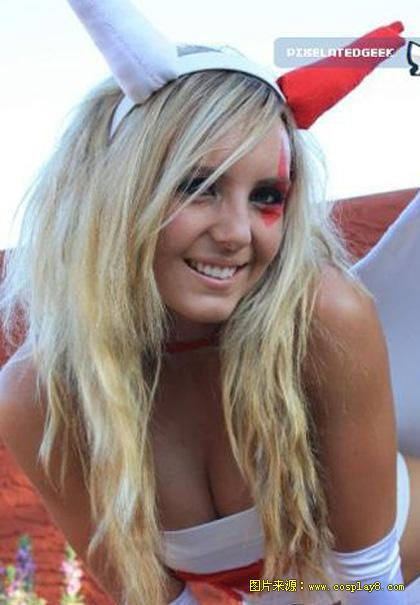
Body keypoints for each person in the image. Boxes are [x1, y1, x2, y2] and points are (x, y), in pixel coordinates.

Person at [0, 2, 418, 604]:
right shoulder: (42, 398)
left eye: (266, 195)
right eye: (198, 186)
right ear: (114, 195)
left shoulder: (321, 317)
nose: (236, 233)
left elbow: (366, 581)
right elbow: (155, 596)